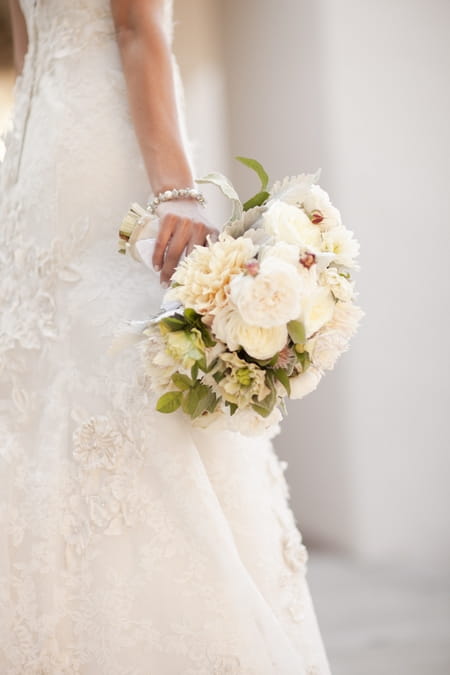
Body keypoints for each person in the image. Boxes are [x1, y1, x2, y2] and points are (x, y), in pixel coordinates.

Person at [0, 1, 332, 673]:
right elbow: (136, 28)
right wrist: (176, 192)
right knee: (147, 378)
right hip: (107, 158)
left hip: (36, 163)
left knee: (52, 378)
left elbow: (24, 36)